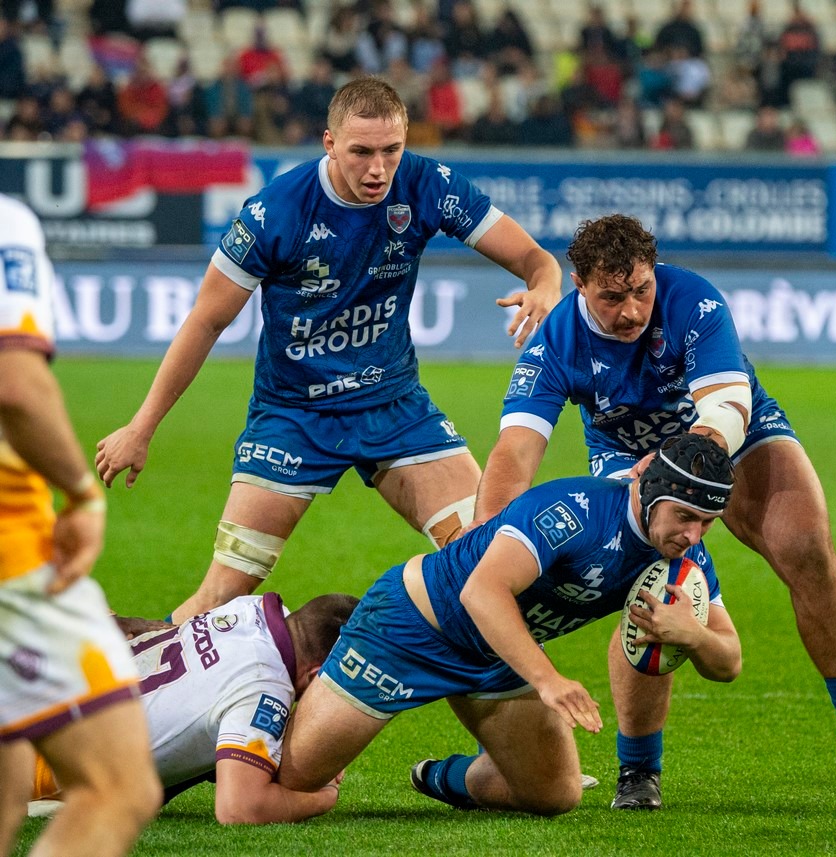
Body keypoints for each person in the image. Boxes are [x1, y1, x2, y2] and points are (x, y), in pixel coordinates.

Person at [473, 214, 836, 809]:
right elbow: (515, 450)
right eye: (611, 297)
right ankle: (638, 773)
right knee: (655, 592)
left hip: (734, 434)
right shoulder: (554, 343)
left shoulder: (694, 301)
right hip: (628, 459)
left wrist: (677, 461)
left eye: (641, 290)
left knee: (805, 545)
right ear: (578, 285)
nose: (631, 310)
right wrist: (483, 537)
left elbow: (728, 407)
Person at [95, 77, 562, 625]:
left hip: (394, 407)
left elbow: (536, 259)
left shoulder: (427, 183)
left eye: (391, 151)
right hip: (293, 415)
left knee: (488, 560)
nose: (377, 170)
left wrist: (545, 284)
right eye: (361, 152)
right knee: (220, 595)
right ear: (329, 143)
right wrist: (141, 427)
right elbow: (206, 321)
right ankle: (149, 694)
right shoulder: (275, 212)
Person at [275, 434, 742, 816]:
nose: (693, 536)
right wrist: (548, 680)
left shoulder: (686, 556)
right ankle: (234, 716)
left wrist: (694, 635)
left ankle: (440, 777)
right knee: (293, 781)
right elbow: (481, 592)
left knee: (555, 795)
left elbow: (729, 662)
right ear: (649, 493)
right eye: (684, 517)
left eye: (707, 523)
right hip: (413, 625)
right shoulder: (575, 511)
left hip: (495, 650)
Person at [0, 193, 161, 857]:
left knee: (10, 779)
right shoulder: (7, 221)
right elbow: (15, 383)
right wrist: (80, 494)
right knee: (117, 782)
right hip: (13, 558)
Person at [27, 592, 357, 825]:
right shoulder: (263, 689)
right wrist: (322, 797)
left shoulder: (249, 608)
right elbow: (239, 808)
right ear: (316, 675)